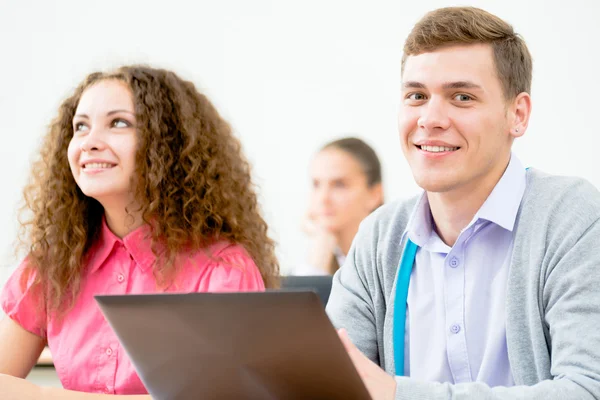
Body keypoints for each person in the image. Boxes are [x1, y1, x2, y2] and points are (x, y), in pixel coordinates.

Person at [326, 6, 600, 400]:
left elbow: (587, 390)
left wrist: (399, 394)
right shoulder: (380, 236)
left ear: (517, 115)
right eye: (416, 95)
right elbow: (333, 382)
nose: (430, 118)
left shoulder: (572, 219)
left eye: (462, 97)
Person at [0, 65, 279, 398]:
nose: (89, 142)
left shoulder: (224, 270)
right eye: (81, 126)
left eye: (118, 123)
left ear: (167, 144)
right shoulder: (53, 263)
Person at [295, 137, 383, 276]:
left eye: (339, 185)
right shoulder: (318, 258)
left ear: (374, 194)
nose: (323, 198)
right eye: (316, 184)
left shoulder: (392, 262)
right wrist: (321, 248)